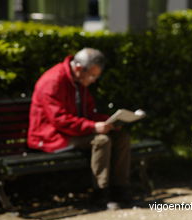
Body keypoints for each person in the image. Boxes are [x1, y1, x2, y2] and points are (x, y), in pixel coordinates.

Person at [28, 48, 131, 208]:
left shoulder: (78, 81)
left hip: (73, 132)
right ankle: (101, 193)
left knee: (121, 136)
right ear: (78, 68)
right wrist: (93, 127)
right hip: (51, 136)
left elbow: (88, 113)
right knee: (101, 140)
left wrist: (109, 122)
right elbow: (60, 120)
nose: (94, 80)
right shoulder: (53, 81)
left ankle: (120, 189)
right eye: (92, 75)